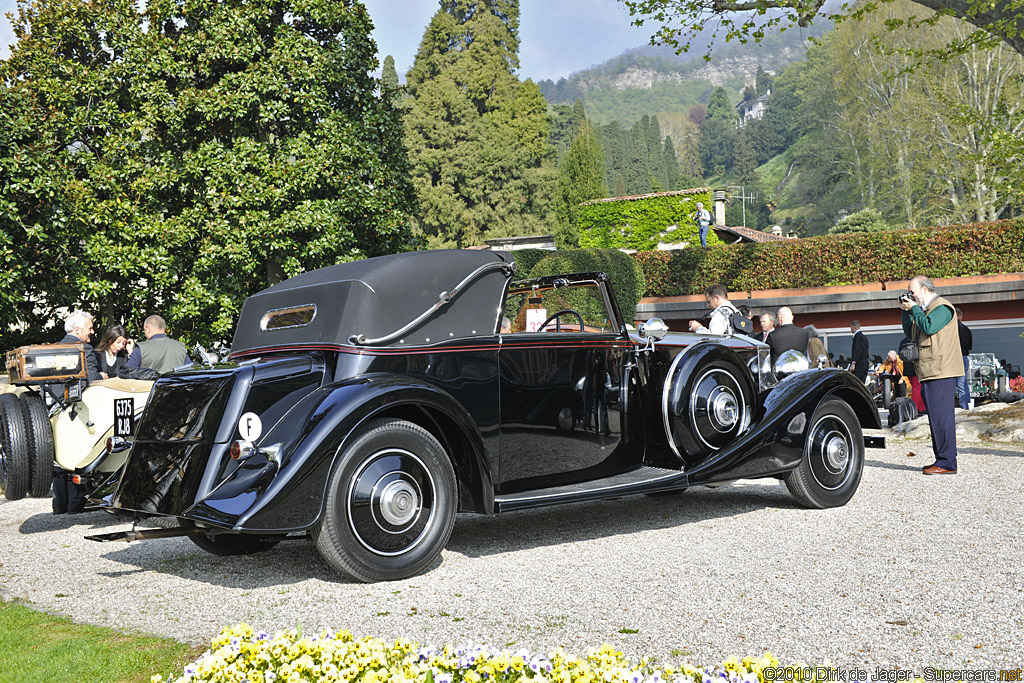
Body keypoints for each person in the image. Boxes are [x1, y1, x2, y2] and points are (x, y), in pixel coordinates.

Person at [901, 275, 962, 475]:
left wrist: (915, 309)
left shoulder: (942, 307)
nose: (911, 295)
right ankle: (941, 459)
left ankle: (947, 462)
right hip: (930, 370)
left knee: (942, 417)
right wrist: (906, 313)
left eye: (913, 291)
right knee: (935, 417)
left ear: (925, 290)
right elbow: (911, 334)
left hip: (941, 370)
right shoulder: (924, 310)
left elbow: (929, 327)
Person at [60, 310, 102, 381]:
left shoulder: (56, 348)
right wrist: (102, 376)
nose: (92, 332)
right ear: (77, 330)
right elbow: (92, 377)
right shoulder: (85, 348)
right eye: (90, 328)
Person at [956, 308, 973, 410]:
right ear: (961, 316)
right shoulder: (966, 329)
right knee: (964, 384)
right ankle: (966, 406)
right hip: (964, 356)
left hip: (954, 357)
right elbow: (970, 345)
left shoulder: (950, 329)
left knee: (952, 384)